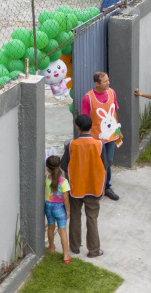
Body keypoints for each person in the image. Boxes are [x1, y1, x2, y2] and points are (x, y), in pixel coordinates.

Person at [60, 114, 109, 258]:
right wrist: (103, 188)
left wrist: (68, 187)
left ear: (77, 127)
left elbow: (65, 167)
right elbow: (105, 169)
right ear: (91, 126)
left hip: (75, 188)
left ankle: (74, 247)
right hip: (94, 188)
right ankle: (94, 250)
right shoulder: (99, 145)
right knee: (92, 218)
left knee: (75, 217)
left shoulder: (71, 145)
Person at [80, 71, 122, 201]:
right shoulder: (88, 98)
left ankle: (106, 187)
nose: (108, 83)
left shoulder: (112, 92)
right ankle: (93, 187)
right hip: (95, 139)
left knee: (107, 163)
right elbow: (84, 119)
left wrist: (118, 130)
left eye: (108, 80)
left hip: (110, 137)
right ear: (97, 83)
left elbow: (114, 113)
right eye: (105, 81)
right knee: (94, 164)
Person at [45, 155, 72, 264]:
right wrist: (68, 210)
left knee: (50, 227)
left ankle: (51, 247)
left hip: (48, 206)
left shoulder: (47, 179)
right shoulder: (63, 181)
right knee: (62, 231)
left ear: (47, 168)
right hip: (59, 208)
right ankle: (65, 256)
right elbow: (65, 197)